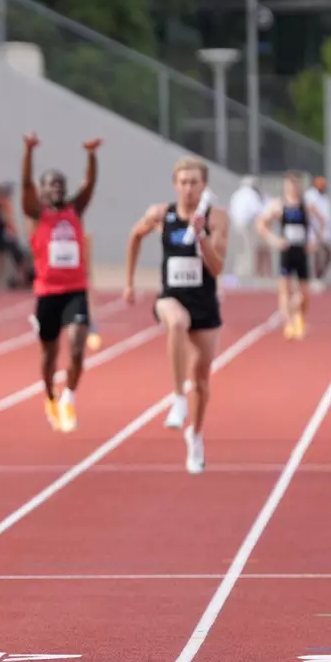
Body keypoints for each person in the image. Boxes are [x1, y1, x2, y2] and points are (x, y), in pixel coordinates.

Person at [125, 157, 229, 475]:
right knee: (177, 322)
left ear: (204, 186)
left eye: (194, 182)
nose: (188, 188)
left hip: (204, 303)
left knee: (201, 381)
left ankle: (195, 436)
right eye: (183, 182)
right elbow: (134, 236)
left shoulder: (217, 217)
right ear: (175, 184)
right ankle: (176, 397)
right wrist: (129, 282)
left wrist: (200, 237)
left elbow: (217, 267)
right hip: (170, 297)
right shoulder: (162, 214)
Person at [21, 133, 99, 433]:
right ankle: (50, 396)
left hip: (74, 291)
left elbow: (89, 185)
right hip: (46, 293)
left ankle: (69, 396)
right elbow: (26, 184)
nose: (57, 188)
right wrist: (28, 151)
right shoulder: (35, 213)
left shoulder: (73, 211)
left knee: (78, 347)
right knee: (49, 354)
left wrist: (91, 155)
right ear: (42, 190)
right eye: (51, 184)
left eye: (61, 184)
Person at [255, 173, 324, 340]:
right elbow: (261, 224)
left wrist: (315, 243)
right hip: (286, 251)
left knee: (304, 293)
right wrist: (274, 240)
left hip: (301, 251)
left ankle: (299, 316)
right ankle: (289, 324)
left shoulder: (307, 205)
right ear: (286, 186)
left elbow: (322, 222)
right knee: (285, 290)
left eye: (296, 185)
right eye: (290, 185)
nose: (293, 188)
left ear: (300, 186)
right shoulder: (279, 205)